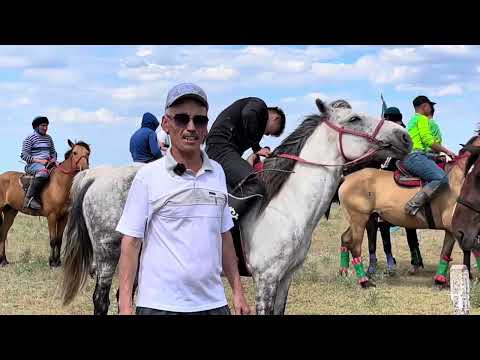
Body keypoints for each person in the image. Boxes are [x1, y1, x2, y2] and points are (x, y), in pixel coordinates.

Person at [116, 83, 251, 315]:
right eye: (182, 119)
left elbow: (225, 237)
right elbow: (131, 243)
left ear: (206, 128)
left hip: (213, 304)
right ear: (166, 124)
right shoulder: (148, 176)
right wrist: (125, 304)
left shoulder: (217, 172)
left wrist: (238, 291)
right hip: (160, 306)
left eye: (199, 120)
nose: (191, 127)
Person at [205, 97, 286, 219]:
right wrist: (256, 148)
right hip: (221, 148)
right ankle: (228, 223)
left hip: (220, 150)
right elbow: (249, 113)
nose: (266, 134)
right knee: (255, 183)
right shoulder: (259, 106)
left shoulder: (253, 122)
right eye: (270, 133)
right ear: (276, 118)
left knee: (238, 190)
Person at [402, 96, 456, 216]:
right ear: (425, 106)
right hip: (415, 156)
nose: (431, 109)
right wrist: (448, 152)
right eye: (430, 106)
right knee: (441, 178)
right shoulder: (422, 119)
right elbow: (429, 141)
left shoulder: (412, 120)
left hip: (415, 155)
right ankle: (412, 205)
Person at [21, 116, 57, 210]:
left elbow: (53, 152)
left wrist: (54, 160)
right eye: (43, 125)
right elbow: (24, 156)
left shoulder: (49, 138)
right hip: (32, 165)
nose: (45, 128)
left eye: (46, 126)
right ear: (37, 126)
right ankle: (29, 198)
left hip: (48, 164)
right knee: (43, 173)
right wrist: (40, 161)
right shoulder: (30, 138)